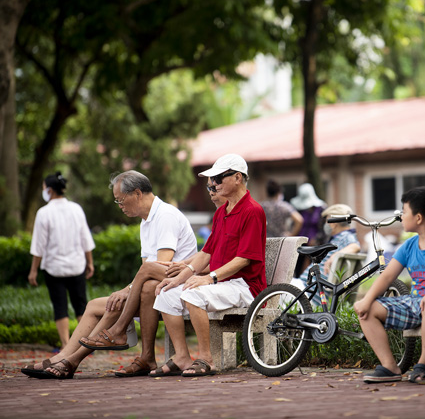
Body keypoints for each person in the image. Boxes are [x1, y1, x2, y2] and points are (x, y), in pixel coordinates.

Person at [23, 170, 198, 379]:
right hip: (153, 289)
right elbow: (147, 271)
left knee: (122, 297)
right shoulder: (146, 221)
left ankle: (75, 359)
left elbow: (161, 267)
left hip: (175, 288)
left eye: (121, 200)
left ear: (137, 194)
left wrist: (128, 289)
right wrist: (129, 290)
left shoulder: (166, 216)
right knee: (96, 305)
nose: (120, 206)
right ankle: (62, 357)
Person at [124, 153, 266, 378]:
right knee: (166, 293)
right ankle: (181, 356)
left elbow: (244, 259)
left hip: (245, 286)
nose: (213, 184)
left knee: (194, 295)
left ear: (238, 178)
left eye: (218, 179)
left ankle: (206, 359)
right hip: (223, 284)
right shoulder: (222, 211)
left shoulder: (252, 210)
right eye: (212, 180)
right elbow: (206, 253)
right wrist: (178, 278)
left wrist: (210, 278)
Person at [354, 187, 425, 383]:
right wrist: (367, 300)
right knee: (368, 310)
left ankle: (422, 364)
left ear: (419, 218)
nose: (401, 216)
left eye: (404, 212)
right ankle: (390, 367)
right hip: (414, 303)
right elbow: (387, 277)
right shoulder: (409, 246)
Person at [28, 171, 95, 349]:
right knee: (81, 305)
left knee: (60, 306)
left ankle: (66, 346)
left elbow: (38, 245)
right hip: (76, 265)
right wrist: (90, 262)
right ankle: (85, 345)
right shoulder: (76, 209)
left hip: (53, 268)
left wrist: (33, 270)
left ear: (49, 190)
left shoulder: (44, 213)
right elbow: (85, 239)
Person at [292, 204, 361, 305]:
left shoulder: (346, 237)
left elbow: (355, 245)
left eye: (326, 220)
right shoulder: (340, 238)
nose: (325, 224)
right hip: (305, 289)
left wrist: (335, 256)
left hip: (305, 293)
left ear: (333, 224)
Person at [290, 182, 326, 277]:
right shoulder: (299, 210)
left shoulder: (320, 210)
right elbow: (294, 225)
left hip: (315, 245)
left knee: (314, 269)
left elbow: (324, 229)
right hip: (300, 244)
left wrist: (317, 240)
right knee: (298, 269)